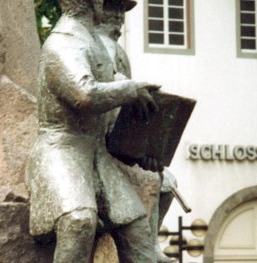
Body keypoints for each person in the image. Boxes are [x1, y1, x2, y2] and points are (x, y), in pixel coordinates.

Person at [25, 0, 160, 262]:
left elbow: (110, 119)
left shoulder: (96, 44)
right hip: (62, 150)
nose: (113, 11)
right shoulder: (63, 43)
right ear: (94, 3)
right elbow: (84, 95)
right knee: (79, 221)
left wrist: (141, 153)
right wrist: (130, 90)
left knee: (137, 228)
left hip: (97, 155)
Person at [96, 2, 177, 262]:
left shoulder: (118, 53)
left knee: (165, 179)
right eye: (112, 10)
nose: (118, 19)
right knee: (150, 180)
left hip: (118, 147)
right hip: (93, 148)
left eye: (121, 12)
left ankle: (151, 242)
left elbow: (128, 117)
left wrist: (144, 151)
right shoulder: (85, 48)